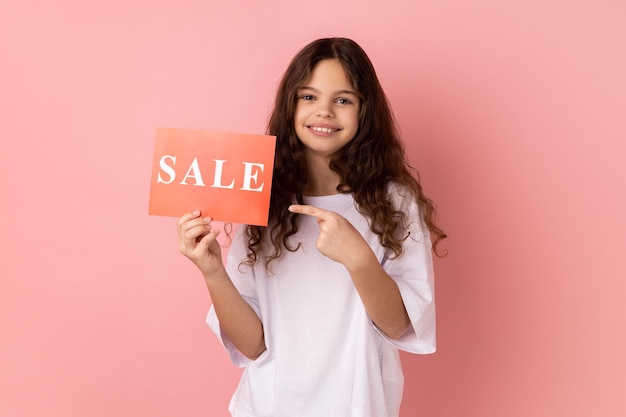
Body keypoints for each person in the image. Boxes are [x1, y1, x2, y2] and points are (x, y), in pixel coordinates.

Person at [176, 37, 446, 417]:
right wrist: (211, 269)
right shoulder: (263, 197)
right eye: (308, 97)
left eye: (343, 100)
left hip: (360, 405)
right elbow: (253, 345)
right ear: (290, 105)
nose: (324, 112)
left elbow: (401, 326)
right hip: (268, 405)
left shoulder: (395, 202)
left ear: (364, 111)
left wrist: (359, 259)